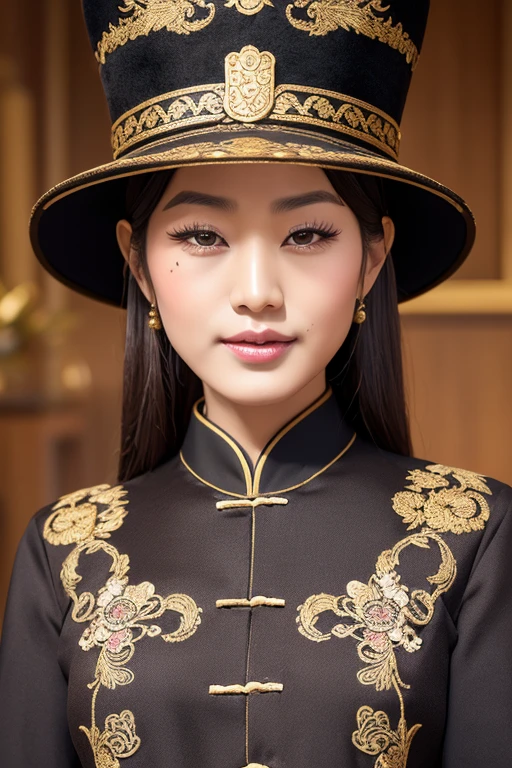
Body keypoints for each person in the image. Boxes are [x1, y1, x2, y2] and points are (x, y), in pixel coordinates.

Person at [0, 1, 510, 766]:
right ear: (138, 261)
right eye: (201, 235)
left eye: (307, 234)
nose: (258, 291)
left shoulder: (475, 533)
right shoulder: (65, 550)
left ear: (373, 258)